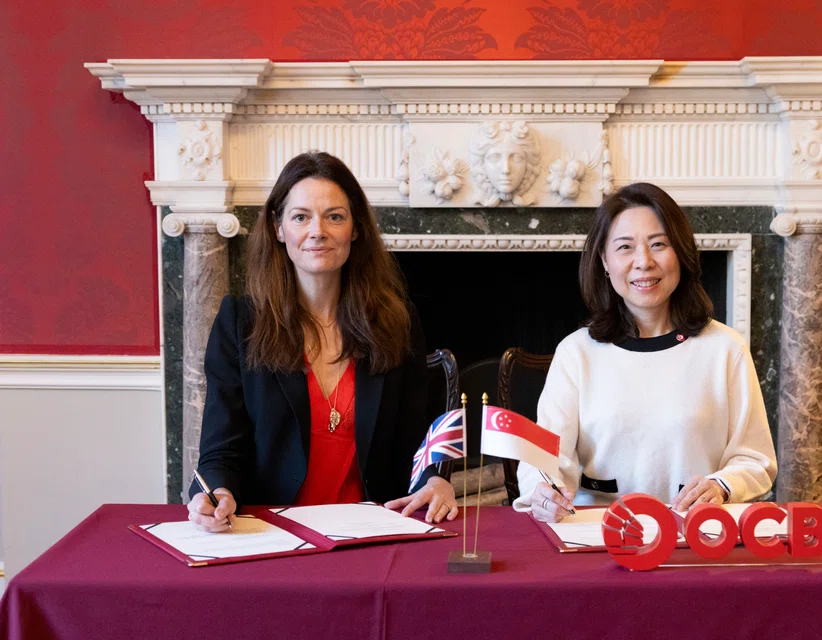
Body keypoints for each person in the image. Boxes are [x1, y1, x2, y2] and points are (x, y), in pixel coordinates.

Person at [187, 151, 458, 532]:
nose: (318, 231)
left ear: (355, 228)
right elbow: (222, 448)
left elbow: (418, 438)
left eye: (334, 216)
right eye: (301, 217)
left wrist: (435, 478)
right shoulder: (240, 322)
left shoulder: (396, 320)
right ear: (278, 228)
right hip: (273, 534)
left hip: (374, 531)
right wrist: (216, 494)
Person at [515, 182, 777, 522]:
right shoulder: (575, 353)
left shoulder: (725, 348)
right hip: (598, 533)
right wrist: (544, 491)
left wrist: (722, 486)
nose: (644, 262)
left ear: (680, 254)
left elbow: (755, 460)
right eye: (625, 247)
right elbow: (543, 460)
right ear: (604, 261)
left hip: (697, 533)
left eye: (659, 245)